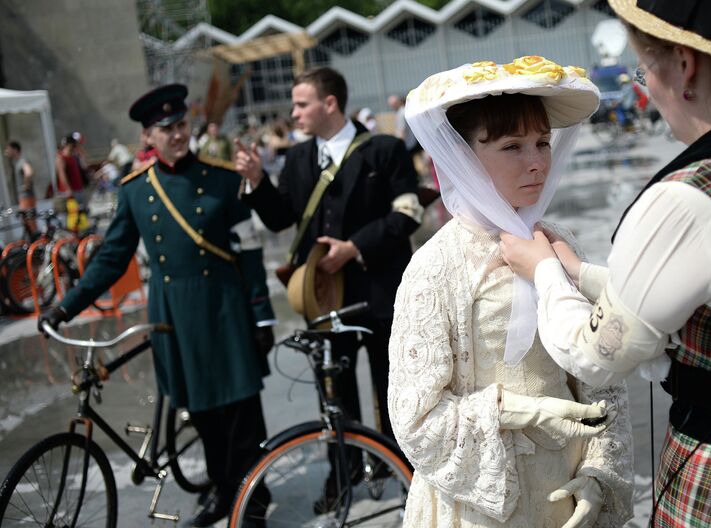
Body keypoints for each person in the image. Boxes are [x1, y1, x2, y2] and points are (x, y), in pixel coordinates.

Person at [500, 2, 711, 526]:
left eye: (645, 67)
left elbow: (598, 356)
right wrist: (579, 273)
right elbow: (708, 287)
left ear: (684, 65)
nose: (647, 87)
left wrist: (545, 272)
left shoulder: (690, 200)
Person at [388, 57, 634, 527]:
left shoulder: (559, 242)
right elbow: (416, 420)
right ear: (462, 156)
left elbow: (604, 378)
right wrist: (520, 411)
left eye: (542, 142)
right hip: (483, 502)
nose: (537, 161)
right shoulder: (436, 266)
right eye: (511, 146)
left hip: (568, 486)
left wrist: (600, 472)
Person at [37, 84, 276, 527]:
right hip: (174, 317)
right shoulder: (135, 192)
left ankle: (253, 498)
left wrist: (261, 312)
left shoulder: (222, 179)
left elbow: (249, 249)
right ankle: (225, 493)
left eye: (181, 124)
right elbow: (110, 259)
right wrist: (64, 307)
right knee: (203, 413)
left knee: (242, 412)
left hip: (225, 308)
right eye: (166, 129)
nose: (178, 134)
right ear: (148, 137)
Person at [237, 65, 422, 508]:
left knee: (392, 387)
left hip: (380, 291)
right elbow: (282, 218)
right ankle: (342, 475)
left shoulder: (385, 148)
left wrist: (355, 246)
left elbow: (408, 212)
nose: (294, 113)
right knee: (332, 392)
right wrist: (259, 182)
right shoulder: (299, 158)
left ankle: (406, 473)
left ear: (329, 103)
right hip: (325, 297)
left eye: (301, 104)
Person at [4, 141, 38, 237]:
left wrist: (26, 186)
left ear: (15, 150)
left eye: (8, 149)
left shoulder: (22, 161)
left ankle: (37, 246)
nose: (6, 151)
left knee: (30, 223)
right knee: (27, 223)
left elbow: (29, 172)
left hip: (27, 197)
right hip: (24, 198)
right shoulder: (17, 162)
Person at [55, 135, 86, 204]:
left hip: (79, 189)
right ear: (68, 145)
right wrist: (68, 189)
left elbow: (84, 167)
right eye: (73, 145)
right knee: (73, 213)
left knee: (82, 212)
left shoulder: (74, 156)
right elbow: (62, 175)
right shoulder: (61, 158)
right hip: (70, 191)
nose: (75, 147)